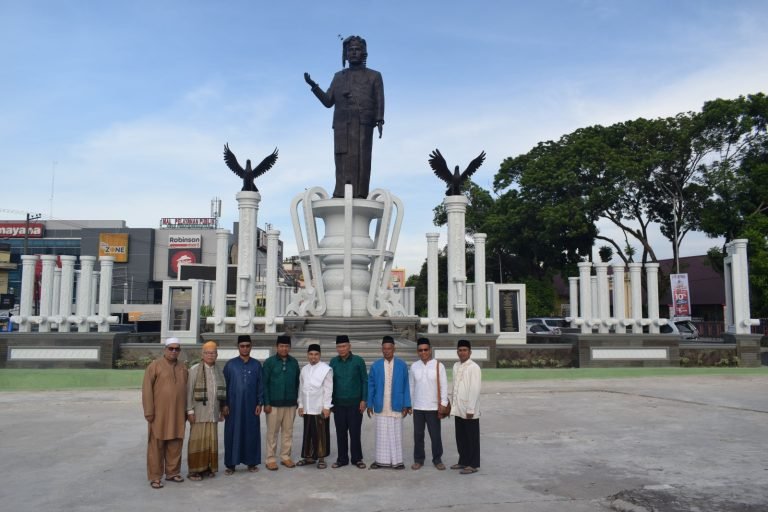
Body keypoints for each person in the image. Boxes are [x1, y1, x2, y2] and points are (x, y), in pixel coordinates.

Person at [304, 35, 385, 199]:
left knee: (362, 157)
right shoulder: (338, 77)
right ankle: (340, 191)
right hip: (342, 123)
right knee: (341, 157)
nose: (354, 53)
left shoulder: (374, 76)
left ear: (363, 53)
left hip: (363, 123)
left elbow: (379, 98)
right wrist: (314, 86)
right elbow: (328, 101)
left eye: (357, 50)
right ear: (346, 54)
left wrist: (379, 118)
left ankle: (361, 192)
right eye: (350, 50)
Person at [142, 337, 189, 489]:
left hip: (178, 414)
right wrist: (149, 411)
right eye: (171, 348)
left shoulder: (183, 368)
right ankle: (155, 476)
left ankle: (172, 472)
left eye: (177, 349)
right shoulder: (154, 366)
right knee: (156, 445)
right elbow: (147, 390)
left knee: (176, 442)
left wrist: (188, 411)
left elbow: (187, 391)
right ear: (165, 349)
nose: (174, 351)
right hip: (159, 414)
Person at [367, 335, 411, 470]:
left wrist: (407, 404)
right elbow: (371, 385)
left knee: (396, 433)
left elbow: (406, 385)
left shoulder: (402, 365)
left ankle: (398, 462)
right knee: (381, 434)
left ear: (394, 349)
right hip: (381, 403)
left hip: (397, 403)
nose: (386, 351)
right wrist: (369, 404)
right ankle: (381, 461)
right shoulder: (376, 366)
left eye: (389, 348)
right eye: (384, 349)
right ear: (381, 349)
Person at [222, 334, 264, 474]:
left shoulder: (256, 364)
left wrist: (259, 403)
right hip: (233, 407)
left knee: (251, 432)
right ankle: (231, 464)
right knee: (232, 433)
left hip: (251, 406)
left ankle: (251, 463)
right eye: (242, 346)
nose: (245, 349)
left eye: (247, 346)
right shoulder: (230, 365)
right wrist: (225, 404)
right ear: (238, 347)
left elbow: (261, 385)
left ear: (251, 347)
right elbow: (224, 386)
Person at [185, 341, 226, 481]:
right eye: (208, 353)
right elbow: (189, 391)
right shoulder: (195, 369)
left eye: (213, 353)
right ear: (202, 355)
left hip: (212, 412)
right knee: (197, 442)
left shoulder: (218, 370)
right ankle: (194, 471)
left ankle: (208, 467)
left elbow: (221, 392)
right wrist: (189, 411)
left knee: (210, 442)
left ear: (217, 355)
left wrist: (221, 410)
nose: (210, 355)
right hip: (198, 413)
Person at [408, 337, 448, 470]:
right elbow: (411, 387)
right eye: (420, 350)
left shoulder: (438, 365)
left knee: (435, 435)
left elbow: (443, 385)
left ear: (430, 350)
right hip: (418, 407)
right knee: (418, 435)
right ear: (417, 351)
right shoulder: (414, 366)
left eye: (425, 349)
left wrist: (443, 403)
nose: (423, 352)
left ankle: (437, 459)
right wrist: (410, 405)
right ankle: (419, 459)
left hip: (433, 407)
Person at [329, 334, 368, 469]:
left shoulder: (358, 361)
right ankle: (342, 459)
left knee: (355, 432)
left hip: (355, 404)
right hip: (338, 404)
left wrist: (364, 399)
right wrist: (330, 402)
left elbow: (365, 380)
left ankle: (357, 459)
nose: (341, 349)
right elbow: (330, 383)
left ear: (349, 346)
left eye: (344, 346)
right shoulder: (333, 362)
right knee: (340, 432)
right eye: (339, 346)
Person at [262, 335, 300, 471]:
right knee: (272, 432)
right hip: (273, 404)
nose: (284, 348)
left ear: (289, 347)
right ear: (277, 347)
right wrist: (266, 402)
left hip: (290, 403)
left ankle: (285, 456)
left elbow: (297, 383)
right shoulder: (269, 362)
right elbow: (264, 384)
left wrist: (296, 401)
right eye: (281, 346)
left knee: (288, 431)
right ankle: (270, 459)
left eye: (286, 346)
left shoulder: (294, 362)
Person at [297, 343, 333, 469]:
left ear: (320, 355)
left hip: (319, 407)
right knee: (308, 433)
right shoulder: (304, 369)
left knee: (320, 433)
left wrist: (327, 407)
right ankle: (308, 457)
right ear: (307, 355)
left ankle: (321, 458)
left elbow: (328, 389)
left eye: (316, 354)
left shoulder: (326, 369)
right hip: (307, 407)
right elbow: (301, 388)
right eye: (311, 354)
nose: (313, 357)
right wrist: (301, 405)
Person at [450, 339, 482, 474]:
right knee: (461, 436)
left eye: (465, 350)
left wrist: (471, 409)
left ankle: (473, 464)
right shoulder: (456, 366)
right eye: (460, 350)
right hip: (458, 408)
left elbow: (475, 389)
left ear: (470, 352)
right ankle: (463, 461)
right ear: (457, 351)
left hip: (470, 409)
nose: (462, 352)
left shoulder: (474, 367)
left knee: (471, 437)